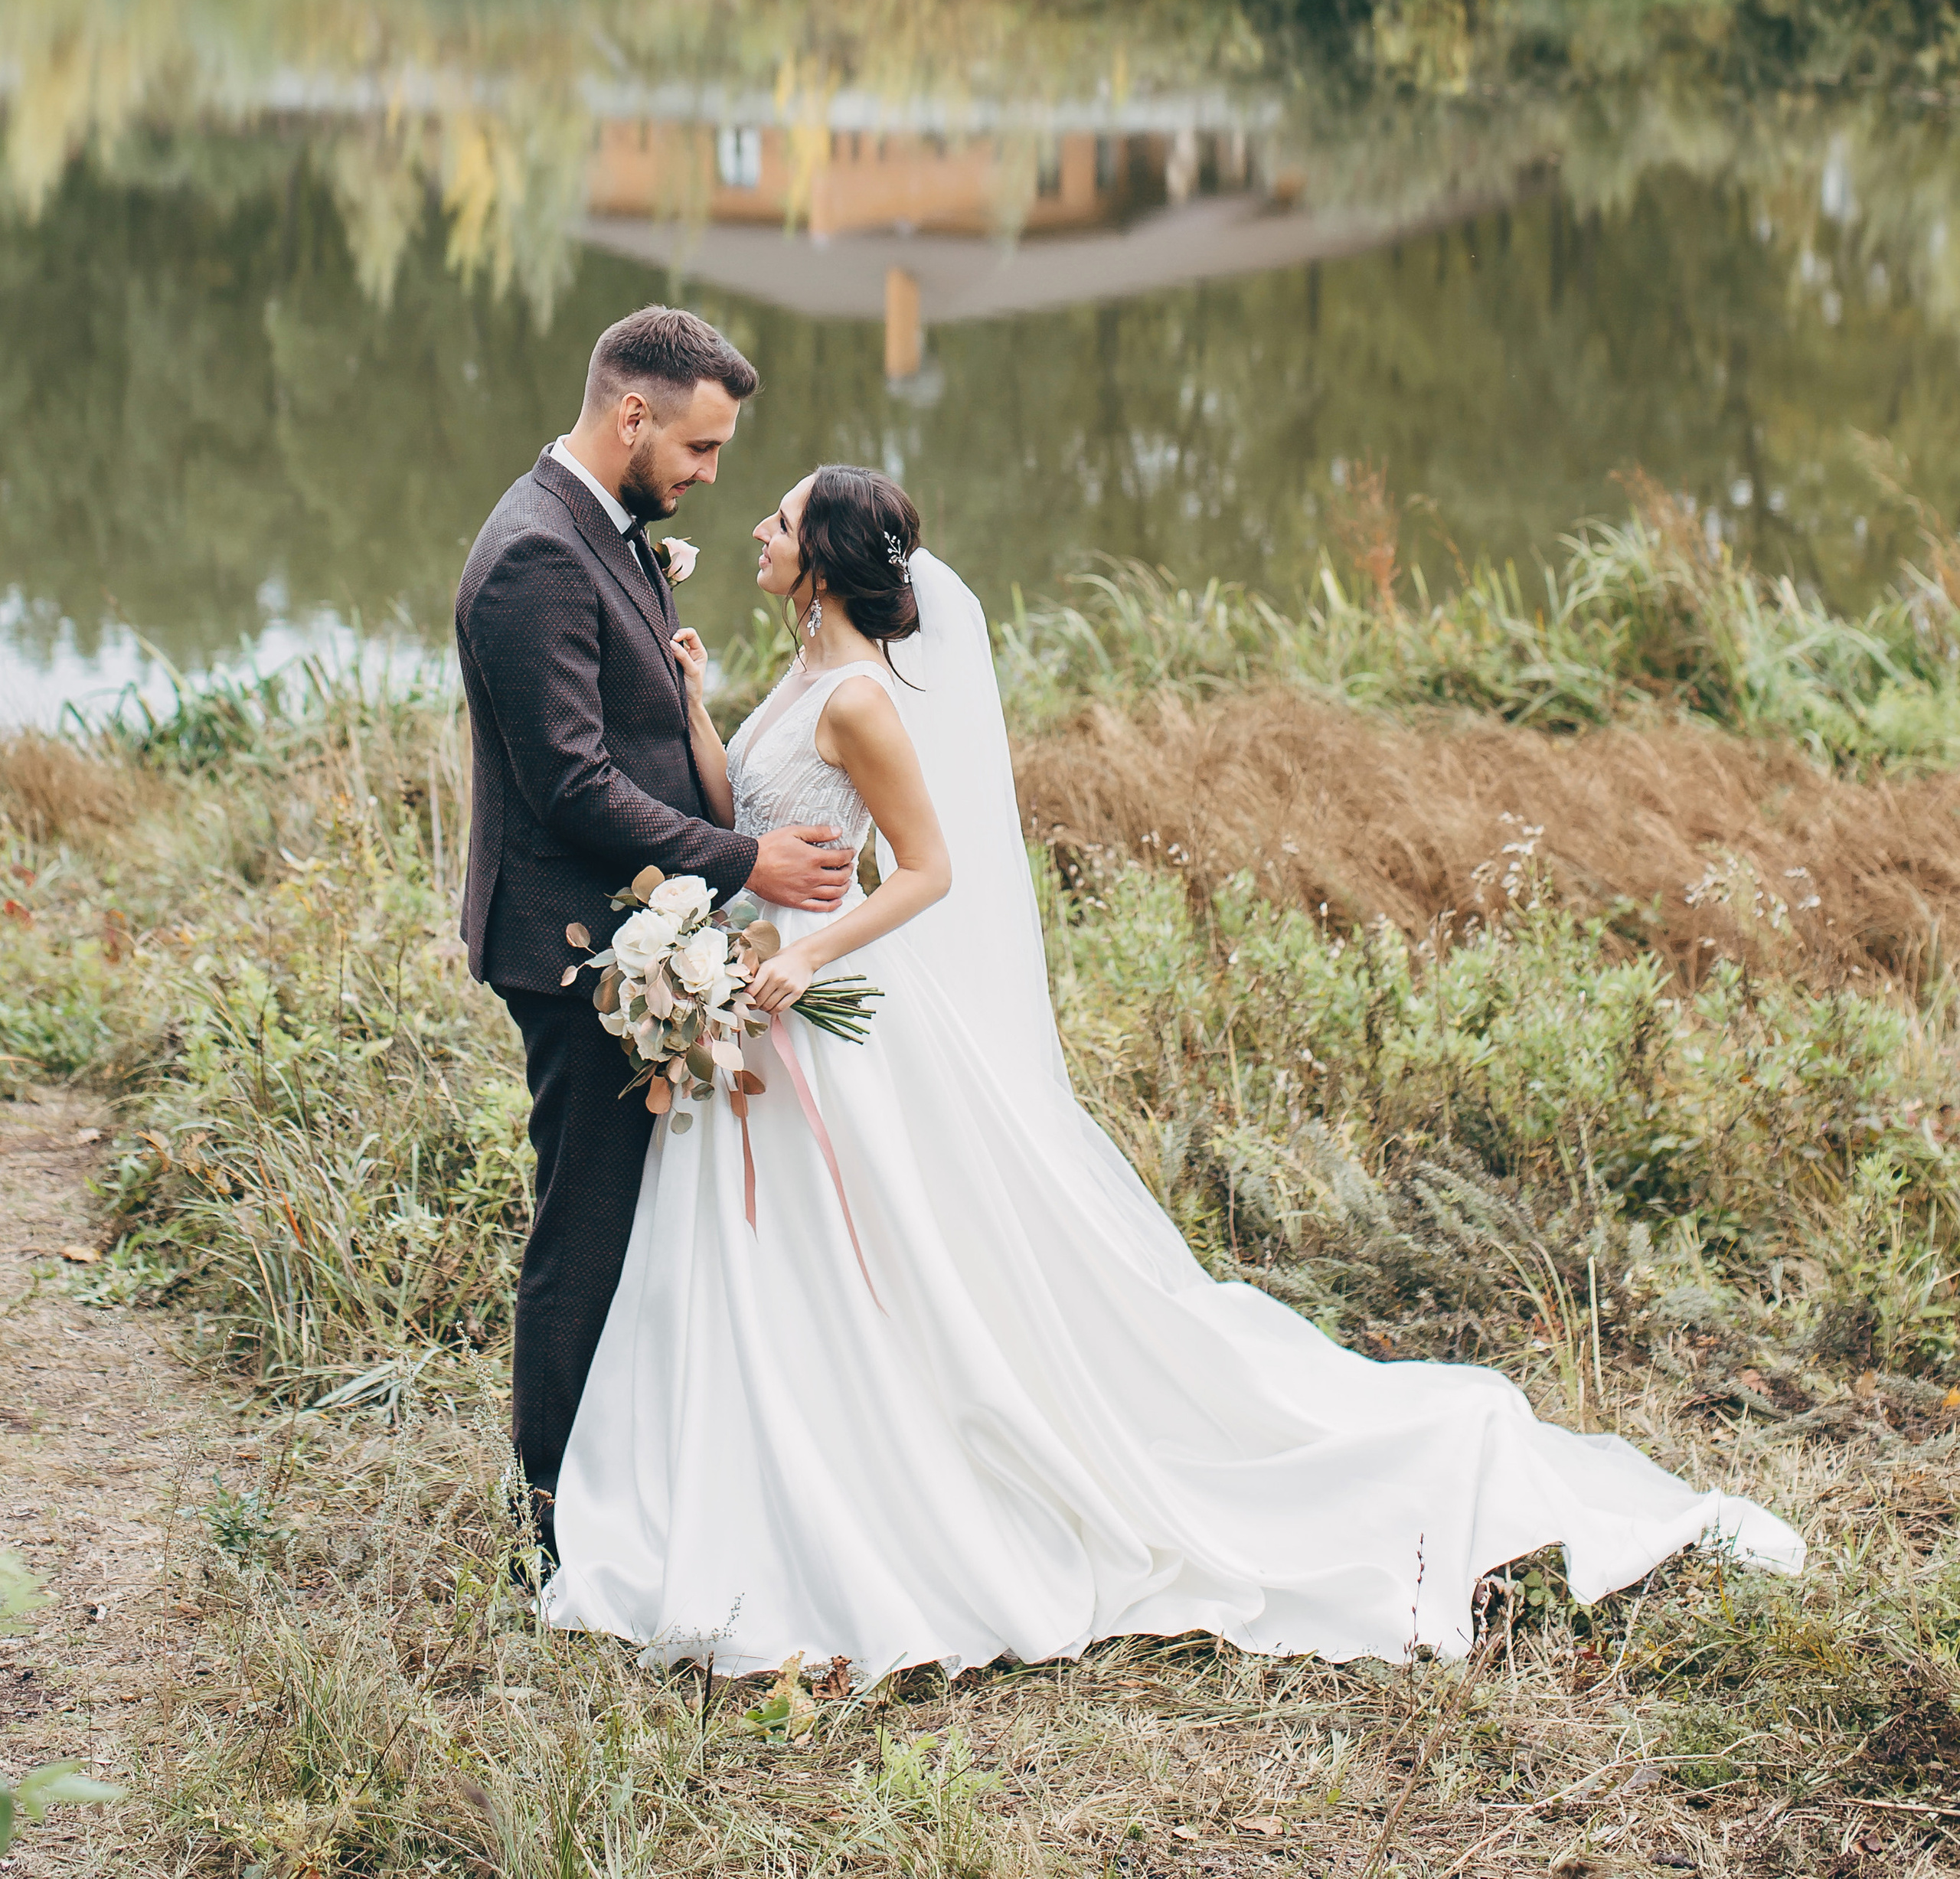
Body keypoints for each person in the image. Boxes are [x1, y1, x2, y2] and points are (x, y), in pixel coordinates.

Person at [544, 465, 1803, 1676]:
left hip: (826, 999)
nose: (757, 527)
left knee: (885, 1265)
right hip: (769, 996)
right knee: (787, 1267)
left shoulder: (862, 696)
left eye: (780, 519)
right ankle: (764, 1477)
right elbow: (747, 820)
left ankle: (878, 1496)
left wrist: (813, 959)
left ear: (817, 564)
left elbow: (926, 871)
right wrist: (704, 705)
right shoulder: (804, 670)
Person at [454, 307, 855, 1562]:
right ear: (633, 415)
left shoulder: (605, 528)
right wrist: (747, 860)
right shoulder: (532, 556)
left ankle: (632, 1482)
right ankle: (555, 1523)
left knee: (639, 1223)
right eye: (699, 448)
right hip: (575, 952)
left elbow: (620, 721)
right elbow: (571, 785)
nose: (709, 477)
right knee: (585, 1228)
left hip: (635, 934)